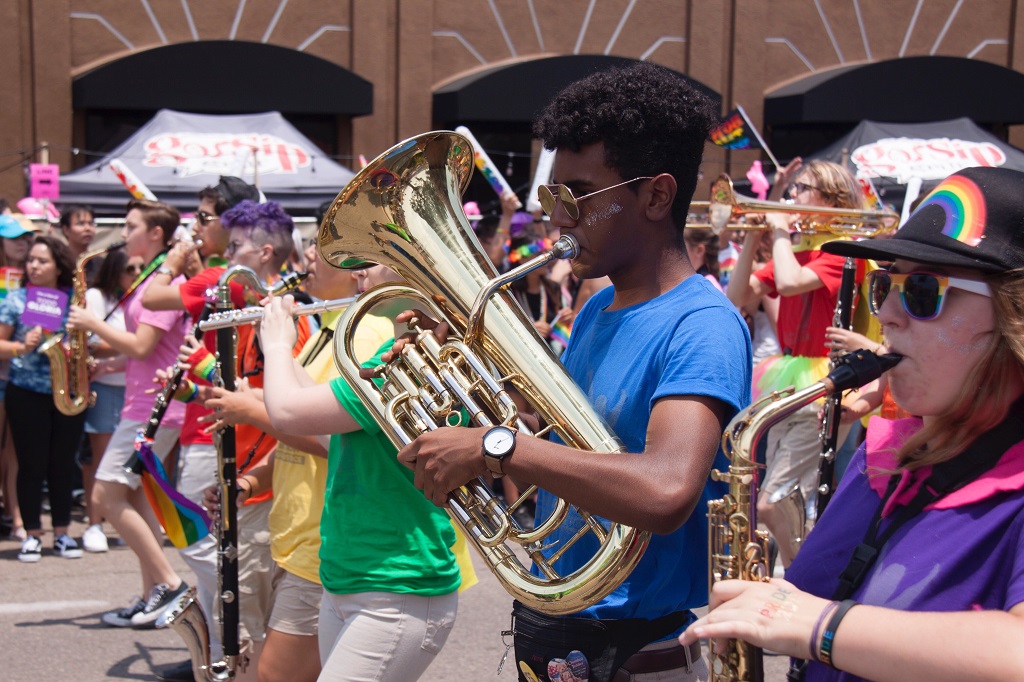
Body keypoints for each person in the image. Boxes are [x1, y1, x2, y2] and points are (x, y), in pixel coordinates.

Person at [393, 62, 751, 682]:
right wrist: (473, 396)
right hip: (564, 631)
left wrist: (494, 446)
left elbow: (666, 490)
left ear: (656, 195)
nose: (557, 216)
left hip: (638, 650)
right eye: (550, 196)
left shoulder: (703, 324)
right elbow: (578, 447)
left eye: (576, 196)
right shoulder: (595, 311)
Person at [680, 166, 1024, 682]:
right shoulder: (884, 452)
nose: (884, 312)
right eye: (884, 284)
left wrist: (819, 625)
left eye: (922, 290)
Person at [257, 263, 461, 681]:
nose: (360, 270)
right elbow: (330, 436)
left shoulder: (398, 360)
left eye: (374, 259)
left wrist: (276, 346)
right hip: (352, 578)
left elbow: (285, 411)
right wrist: (280, 341)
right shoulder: (399, 354)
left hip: (396, 587)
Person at [199, 240, 391, 682]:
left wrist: (252, 407)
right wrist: (249, 481)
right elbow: (297, 429)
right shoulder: (328, 327)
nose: (307, 254)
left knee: (275, 676)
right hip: (297, 534)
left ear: (355, 269)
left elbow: (329, 438)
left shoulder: (365, 335)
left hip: (322, 538)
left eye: (323, 246)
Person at [727, 159, 865, 568]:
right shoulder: (800, 253)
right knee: (788, 503)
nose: (792, 196)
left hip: (823, 382)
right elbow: (737, 296)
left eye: (802, 188)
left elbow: (788, 284)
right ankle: (797, 576)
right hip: (787, 379)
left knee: (775, 504)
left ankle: (801, 581)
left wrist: (781, 228)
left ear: (830, 199)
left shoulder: (839, 252)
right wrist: (753, 238)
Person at [66, 199, 190, 627]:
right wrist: (109, 365)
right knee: (136, 498)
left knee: (104, 495)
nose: (123, 233)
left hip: (156, 407)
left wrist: (91, 324)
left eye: (131, 225)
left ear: (156, 233)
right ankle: (151, 592)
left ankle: (172, 586)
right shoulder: (153, 278)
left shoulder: (164, 282)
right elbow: (148, 351)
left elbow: (141, 344)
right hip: (144, 402)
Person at [0, 235, 87, 561]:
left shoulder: (73, 300)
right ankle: (33, 533)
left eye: (42, 261)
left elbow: (87, 342)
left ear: (58, 266)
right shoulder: (15, 299)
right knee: (31, 464)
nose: (34, 266)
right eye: (31, 261)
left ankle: (63, 533)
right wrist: (22, 346)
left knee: (63, 463)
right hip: (26, 391)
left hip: (68, 387)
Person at [79, 248, 142, 553]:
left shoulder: (138, 298)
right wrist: (130, 346)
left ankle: (120, 523)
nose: (135, 275)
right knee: (101, 461)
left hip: (131, 387)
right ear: (116, 269)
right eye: (130, 269)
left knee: (126, 467)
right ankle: (94, 523)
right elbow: (92, 342)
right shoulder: (96, 296)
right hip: (104, 386)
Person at [0, 214, 36, 542]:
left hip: (24, 374)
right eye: (14, 237)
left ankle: (16, 517)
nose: (23, 243)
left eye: (26, 237)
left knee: (15, 449)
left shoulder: (34, 279)